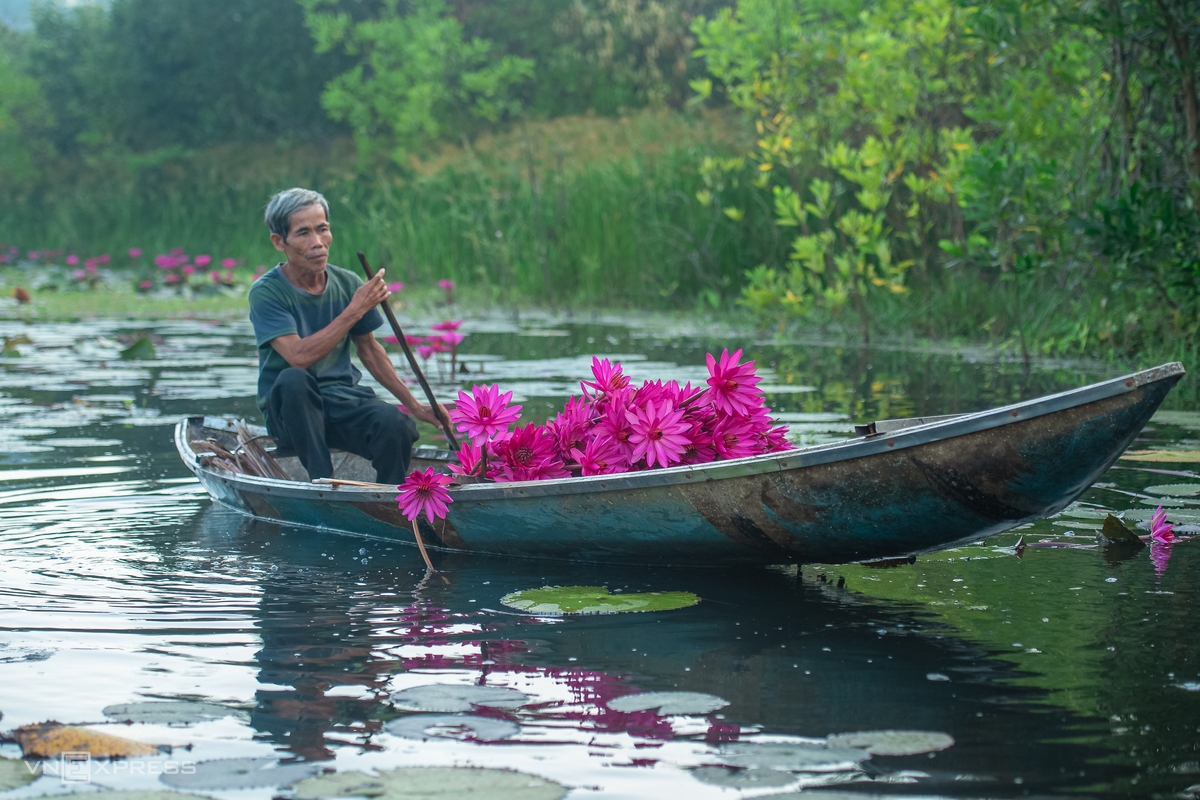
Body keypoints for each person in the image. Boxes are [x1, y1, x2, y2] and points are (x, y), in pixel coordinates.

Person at [249, 187, 445, 484]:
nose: (317, 243)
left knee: (396, 425)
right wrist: (355, 309)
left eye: (322, 230)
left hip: (341, 405)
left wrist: (415, 406)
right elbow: (298, 357)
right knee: (294, 379)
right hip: (292, 416)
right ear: (280, 241)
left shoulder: (347, 282)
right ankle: (323, 482)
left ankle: (391, 499)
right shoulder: (267, 291)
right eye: (303, 233)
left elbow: (370, 351)